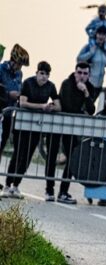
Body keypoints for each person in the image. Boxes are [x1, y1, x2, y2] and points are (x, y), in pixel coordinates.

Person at [3, 61, 61, 199]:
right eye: (42, 73)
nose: (44, 77)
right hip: (22, 124)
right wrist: (41, 106)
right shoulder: (28, 83)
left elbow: (58, 105)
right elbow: (23, 102)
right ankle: (7, 184)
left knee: (27, 156)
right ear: (37, 73)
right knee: (18, 154)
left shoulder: (51, 86)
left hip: (36, 126)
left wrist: (50, 107)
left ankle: (16, 186)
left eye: (47, 74)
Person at [50, 62, 98, 204]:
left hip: (73, 129)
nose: (82, 76)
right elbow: (68, 106)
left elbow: (91, 110)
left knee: (74, 158)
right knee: (54, 157)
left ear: (88, 75)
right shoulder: (67, 83)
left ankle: (63, 192)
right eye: (79, 73)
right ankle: (50, 190)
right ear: (75, 72)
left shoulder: (89, 87)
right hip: (60, 125)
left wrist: (86, 93)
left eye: (85, 74)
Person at [0, 44, 29, 168]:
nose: (19, 67)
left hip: (8, 114)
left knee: (2, 145)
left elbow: (19, 88)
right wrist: (7, 93)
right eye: (18, 64)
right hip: (0, 108)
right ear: (12, 60)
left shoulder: (19, 74)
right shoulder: (1, 69)